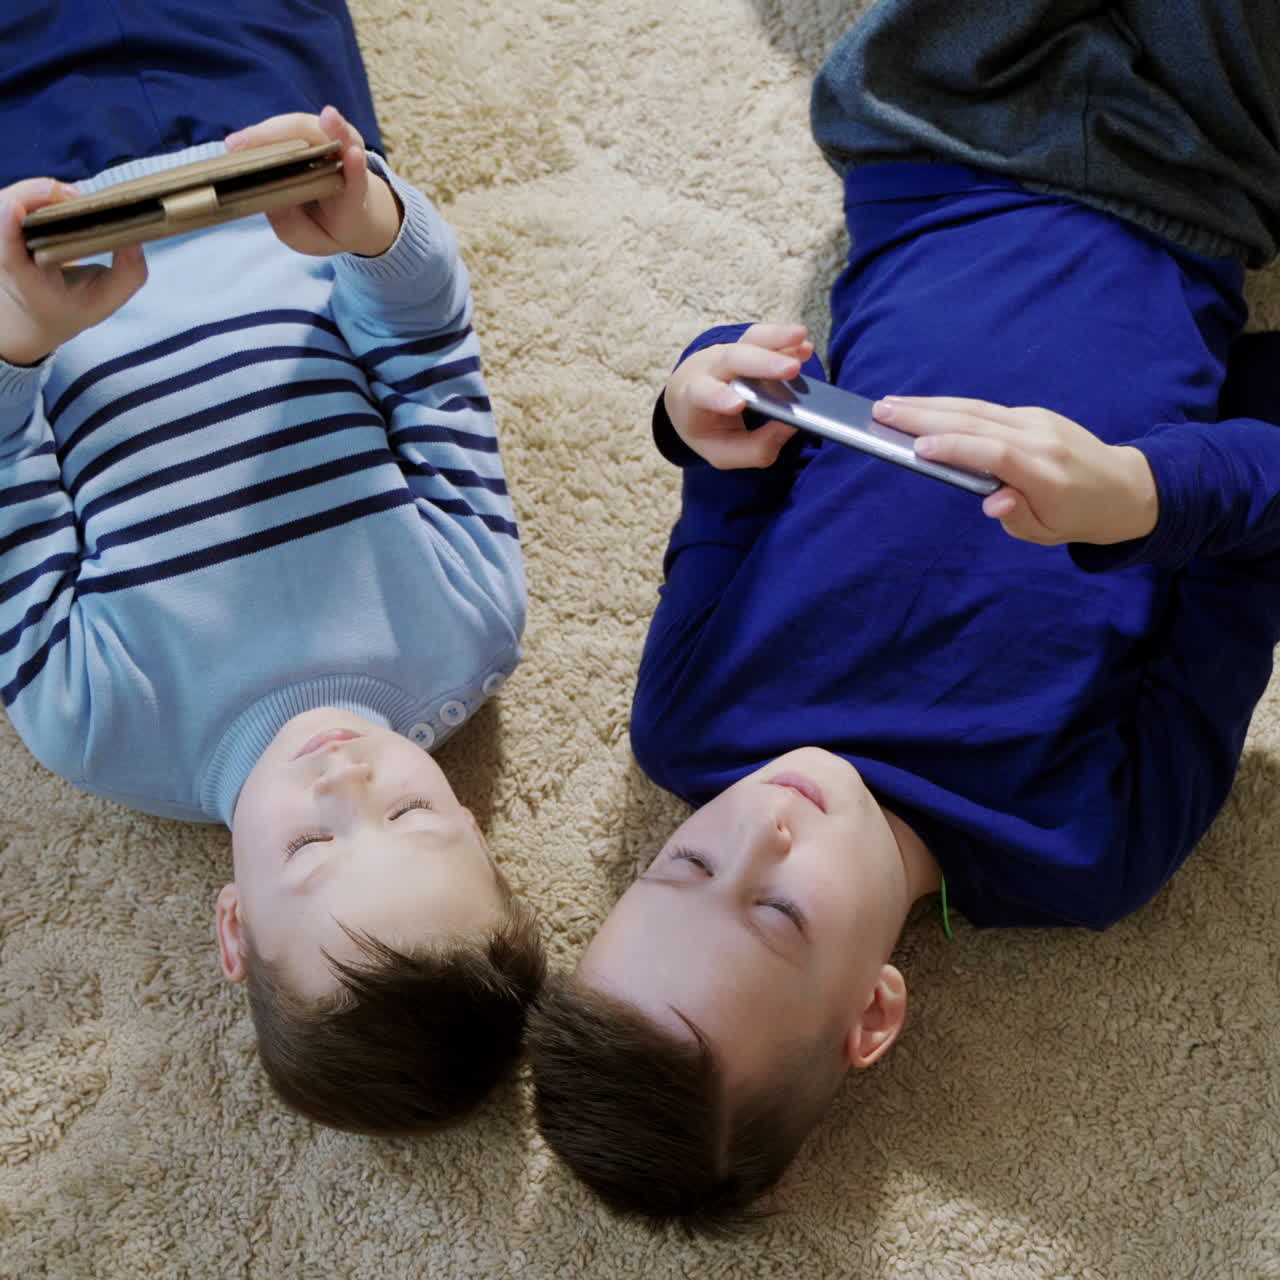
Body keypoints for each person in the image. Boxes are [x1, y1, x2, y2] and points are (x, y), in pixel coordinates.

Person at [527, 0, 1280, 1234]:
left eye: (686, 861)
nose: (759, 830)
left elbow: (735, 440)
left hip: (932, 133)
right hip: (1195, 174)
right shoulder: (1082, 847)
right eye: (777, 911)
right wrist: (1134, 493)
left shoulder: (688, 724)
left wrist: (691, 391)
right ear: (870, 1013)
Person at [0, 1, 543, 1135]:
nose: (350, 781)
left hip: (43, 210)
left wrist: (18, 335)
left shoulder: (99, 725)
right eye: (412, 811)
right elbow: (431, 362)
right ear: (478, 826)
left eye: (311, 843)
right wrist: (376, 227)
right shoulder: (470, 624)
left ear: (234, 925)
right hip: (269, 161)